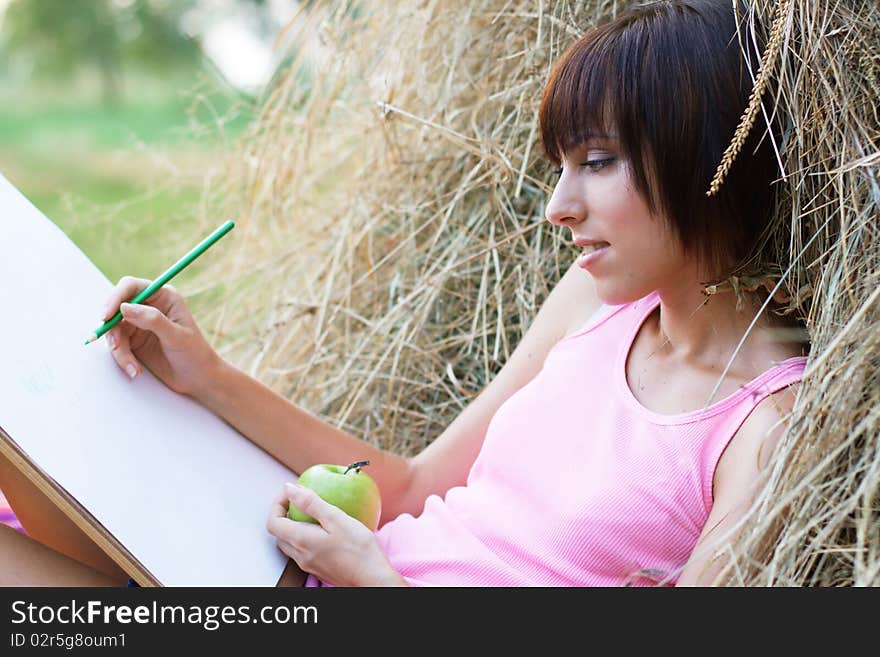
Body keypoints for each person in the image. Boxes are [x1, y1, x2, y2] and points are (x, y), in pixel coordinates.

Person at [0, 0, 809, 587]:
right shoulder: (596, 303)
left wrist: (377, 589)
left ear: (707, 159)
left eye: (597, 162)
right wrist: (204, 372)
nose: (559, 206)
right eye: (561, 166)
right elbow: (415, 486)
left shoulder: (762, 424)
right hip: (300, 574)